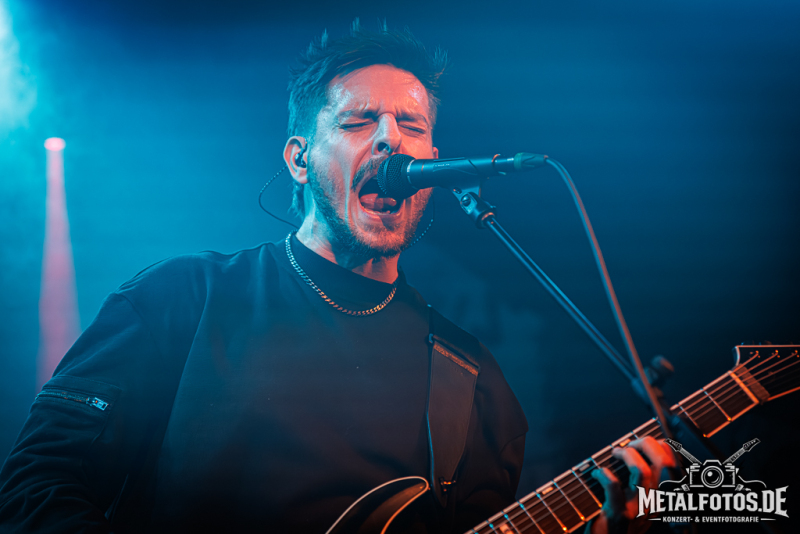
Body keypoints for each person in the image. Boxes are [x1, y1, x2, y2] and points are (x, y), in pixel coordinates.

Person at [0, 21, 675, 534]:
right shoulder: (181, 300)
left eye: (410, 126)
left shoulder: (473, 381)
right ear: (299, 159)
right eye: (359, 121)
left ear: (434, 161)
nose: (390, 140)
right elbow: (34, 484)